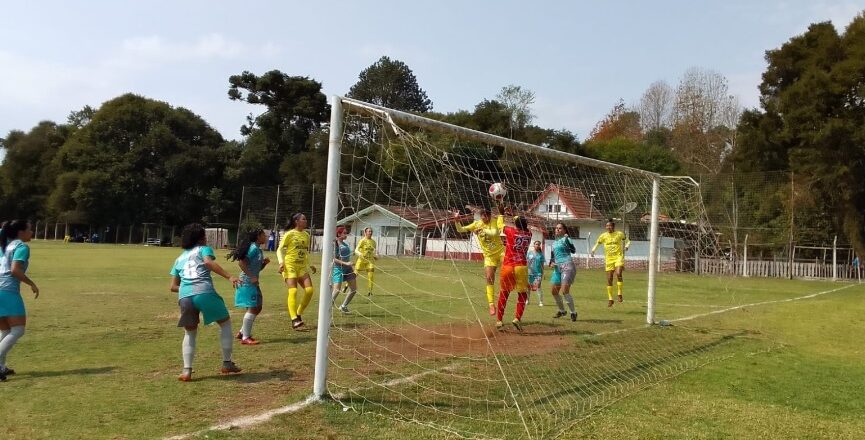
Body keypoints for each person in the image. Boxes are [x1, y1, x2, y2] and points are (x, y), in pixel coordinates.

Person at [169, 223, 242, 382]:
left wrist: (188, 286)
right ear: (201, 238)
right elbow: (208, 263)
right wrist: (230, 276)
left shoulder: (179, 258)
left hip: (184, 296)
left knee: (190, 332)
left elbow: (173, 286)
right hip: (204, 292)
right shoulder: (203, 249)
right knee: (225, 323)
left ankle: (186, 370)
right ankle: (227, 363)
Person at [0, 220, 39, 381]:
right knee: (18, 330)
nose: (32, 232)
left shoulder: (5, 246)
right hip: (8, 292)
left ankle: (1, 367)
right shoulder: (21, 247)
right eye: (30, 229)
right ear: (21, 232)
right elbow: (15, 270)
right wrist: (32, 284)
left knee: (6, 331)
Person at [453, 206, 505, 316]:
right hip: (489, 256)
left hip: (501, 252)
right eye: (483, 216)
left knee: (509, 272)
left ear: (490, 215)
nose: (485, 218)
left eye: (487, 216)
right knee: (489, 278)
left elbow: (494, 233)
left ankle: (525, 284)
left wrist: (482, 230)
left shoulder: (494, 221)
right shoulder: (477, 224)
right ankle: (491, 304)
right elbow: (460, 230)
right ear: (481, 216)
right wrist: (457, 220)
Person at [228, 229, 270, 345]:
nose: (265, 237)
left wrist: (263, 264)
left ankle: (242, 332)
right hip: (247, 282)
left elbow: (255, 267)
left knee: (257, 307)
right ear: (258, 237)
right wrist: (251, 277)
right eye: (263, 235)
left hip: (252, 282)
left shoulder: (258, 250)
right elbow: (241, 263)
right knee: (253, 308)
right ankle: (245, 337)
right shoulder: (253, 249)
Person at [277, 213, 317, 330]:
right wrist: (281, 263)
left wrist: (310, 265)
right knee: (293, 291)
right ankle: (294, 319)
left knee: (309, 291)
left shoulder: (306, 235)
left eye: (306, 219)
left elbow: (305, 252)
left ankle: (298, 313)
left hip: (302, 267)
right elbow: (279, 249)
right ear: (296, 221)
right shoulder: (289, 234)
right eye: (303, 219)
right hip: (290, 266)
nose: (306, 221)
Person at [496, 215, 533, 331]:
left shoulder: (510, 231)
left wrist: (502, 214)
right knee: (522, 294)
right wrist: (516, 218)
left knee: (504, 293)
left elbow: (499, 225)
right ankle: (517, 318)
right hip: (521, 266)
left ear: (515, 224)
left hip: (508, 266)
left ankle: (499, 320)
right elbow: (522, 224)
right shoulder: (529, 234)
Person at [591, 219, 631, 307]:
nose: (608, 227)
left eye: (610, 226)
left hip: (618, 257)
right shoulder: (603, 236)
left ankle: (619, 294)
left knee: (619, 273)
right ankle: (610, 299)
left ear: (613, 226)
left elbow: (628, 240)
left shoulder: (619, 234)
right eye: (607, 226)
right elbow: (597, 243)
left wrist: (627, 246)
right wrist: (593, 250)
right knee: (609, 279)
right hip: (609, 259)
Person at [549, 223, 578, 321]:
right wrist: (552, 263)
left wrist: (567, 240)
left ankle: (573, 313)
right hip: (557, 268)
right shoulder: (553, 243)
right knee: (554, 291)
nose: (557, 230)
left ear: (565, 230)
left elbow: (573, 250)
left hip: (567, 266)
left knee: (565, 290)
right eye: (556, 228)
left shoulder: (567, 239)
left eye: (560, 228)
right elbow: (552, 258)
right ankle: (562, 311)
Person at [331, 226, 358, 314]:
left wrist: (351, 267)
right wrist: (346, 263)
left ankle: (343, 306)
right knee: (337, 290)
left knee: (354, 289)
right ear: (339, 233)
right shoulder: (335, 244)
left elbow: (347, 257)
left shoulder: (344, 243)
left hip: (348, 269)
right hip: (338, 269)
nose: (346, 234)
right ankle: (327, 307)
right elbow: (334, 259)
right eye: (344, 233)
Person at [354, 227, 378, 295]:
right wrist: (360, 254)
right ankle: (347, 286)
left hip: (370, 261)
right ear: (365, 232)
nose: (370, 233)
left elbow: (373, 252)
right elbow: (356, 250)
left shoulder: (374, 242)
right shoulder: (362, 241)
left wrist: (375, 256)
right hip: (361, 260)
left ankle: (370, 291)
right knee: (355, 274)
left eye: (371, 231)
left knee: (371, 275)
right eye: (369, 231)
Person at [527, 240, 545, 307]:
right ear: (534, 245)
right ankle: (527, 300)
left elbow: (542, 265)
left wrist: (543, 273)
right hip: (529, 272)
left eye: (538, 244)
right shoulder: (529, 253)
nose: (537, 245)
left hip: (538, 273)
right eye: (536, 244)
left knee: (538, 287)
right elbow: (527, 262)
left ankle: (540, 302)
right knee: (528, 287)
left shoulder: (541, 255)